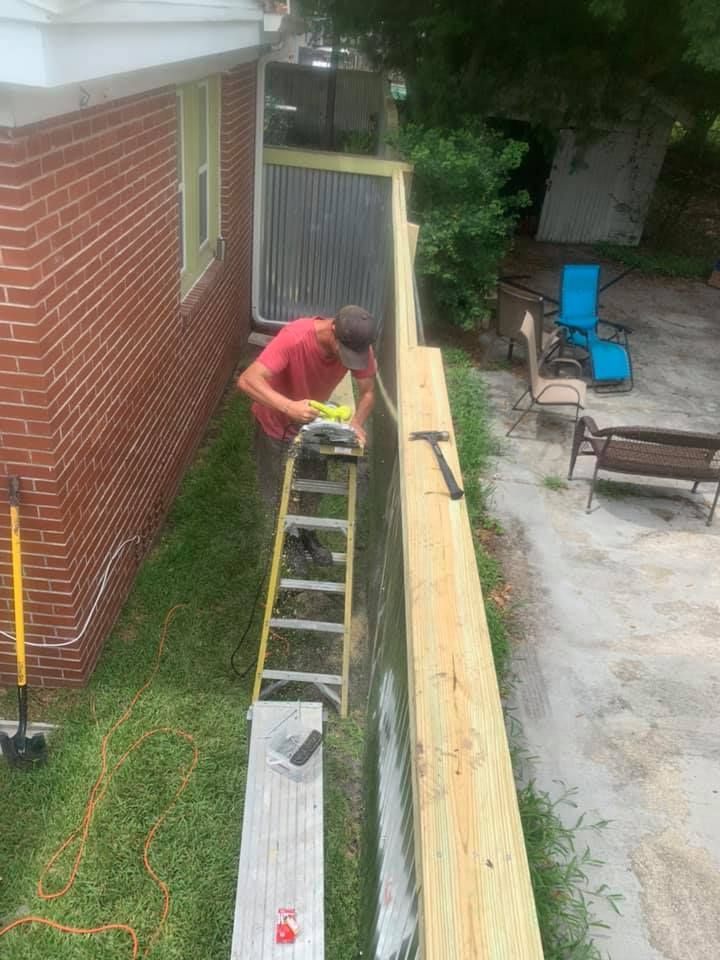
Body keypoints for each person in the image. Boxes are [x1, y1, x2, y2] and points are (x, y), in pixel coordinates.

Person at [237, 305, 377, 567]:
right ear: (333, 330)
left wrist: (358, 423)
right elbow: (247, 380)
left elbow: (368, 391)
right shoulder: (296, 337)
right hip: (275, 424)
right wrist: (288, 406)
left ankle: (308, 533)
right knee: (280, 488)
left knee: (313, 483)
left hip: (311, 424)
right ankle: (289, 539)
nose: (349, 361)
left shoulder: (358, 344)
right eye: (344, 353)